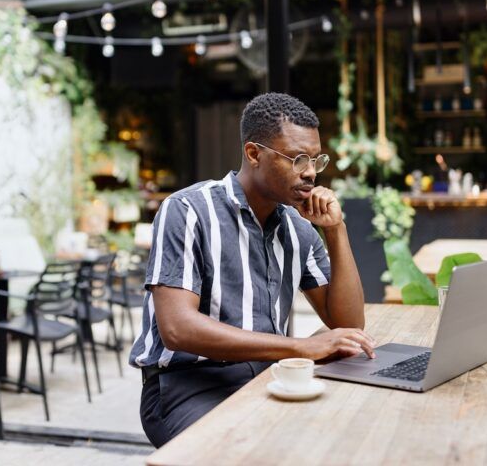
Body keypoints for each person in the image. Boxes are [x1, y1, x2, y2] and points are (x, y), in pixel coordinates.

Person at [129, 92, 375, 448]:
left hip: (266, 377)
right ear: (254, 154)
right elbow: (177, 329)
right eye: (298, 159)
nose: (310, 172)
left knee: (342, 435)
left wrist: (335, 230)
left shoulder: (298, 227)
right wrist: (300, 347)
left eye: (316, 160)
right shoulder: (187, 210)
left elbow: (348, 323)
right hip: (186, 387)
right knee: (249, 452)